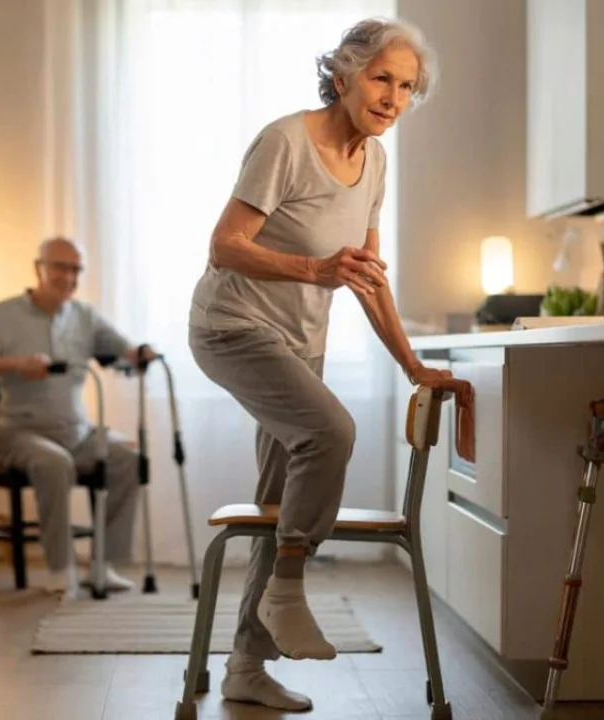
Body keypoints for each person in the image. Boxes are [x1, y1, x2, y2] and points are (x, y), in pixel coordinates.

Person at [187, 16, 465, 713]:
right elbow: (225, 246)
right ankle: (287, 588)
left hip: (296, 343)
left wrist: (412, 367)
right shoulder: (286, 141)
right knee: (331, 433)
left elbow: (366, 277)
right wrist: (315, 266)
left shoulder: (375, 162)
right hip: (231, 327)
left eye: (406, 86)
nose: (393, 97)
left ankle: (246, 667)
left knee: (279, 500)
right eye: (381, 78)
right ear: (342, 75)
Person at [0, 236, 156, 599]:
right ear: (39, 268)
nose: (68, 276)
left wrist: (140, 354)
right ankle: (59, 568)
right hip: (20, 432)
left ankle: (102, 565)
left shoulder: (85, 316)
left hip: (78, 432)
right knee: (55, 463)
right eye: (59, 267)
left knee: (128, 458)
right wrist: (18, 364)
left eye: (75, 269)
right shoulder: (5, 314)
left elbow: (124, 349)